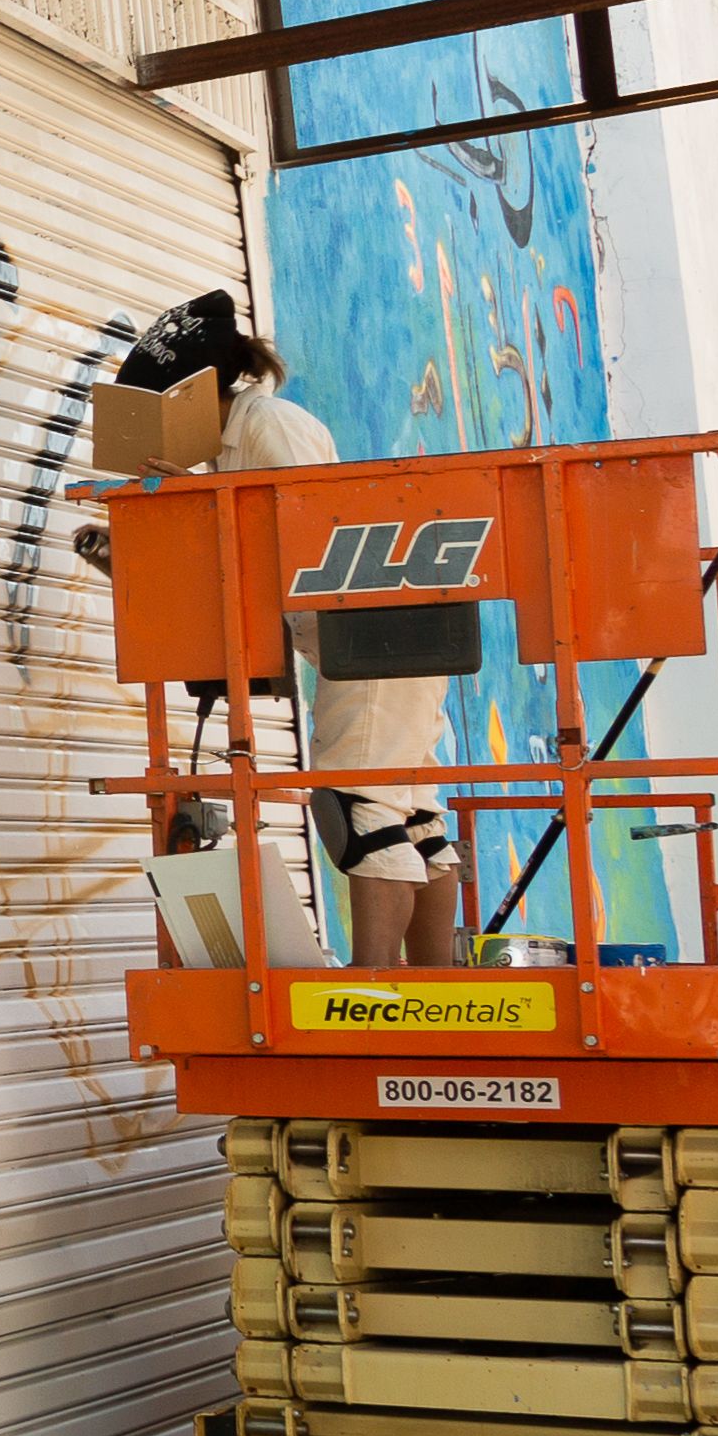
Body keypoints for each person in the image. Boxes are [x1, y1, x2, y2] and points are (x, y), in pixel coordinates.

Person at [89, 290, 465, 970]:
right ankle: (432, 982)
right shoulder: (233, 446)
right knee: (409, 811)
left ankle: (374, 987)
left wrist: (205, 517)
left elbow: (316, 539)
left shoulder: (266, 428)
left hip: (369, 634)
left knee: (361, 806)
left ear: (187, 397)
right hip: (371, 639)